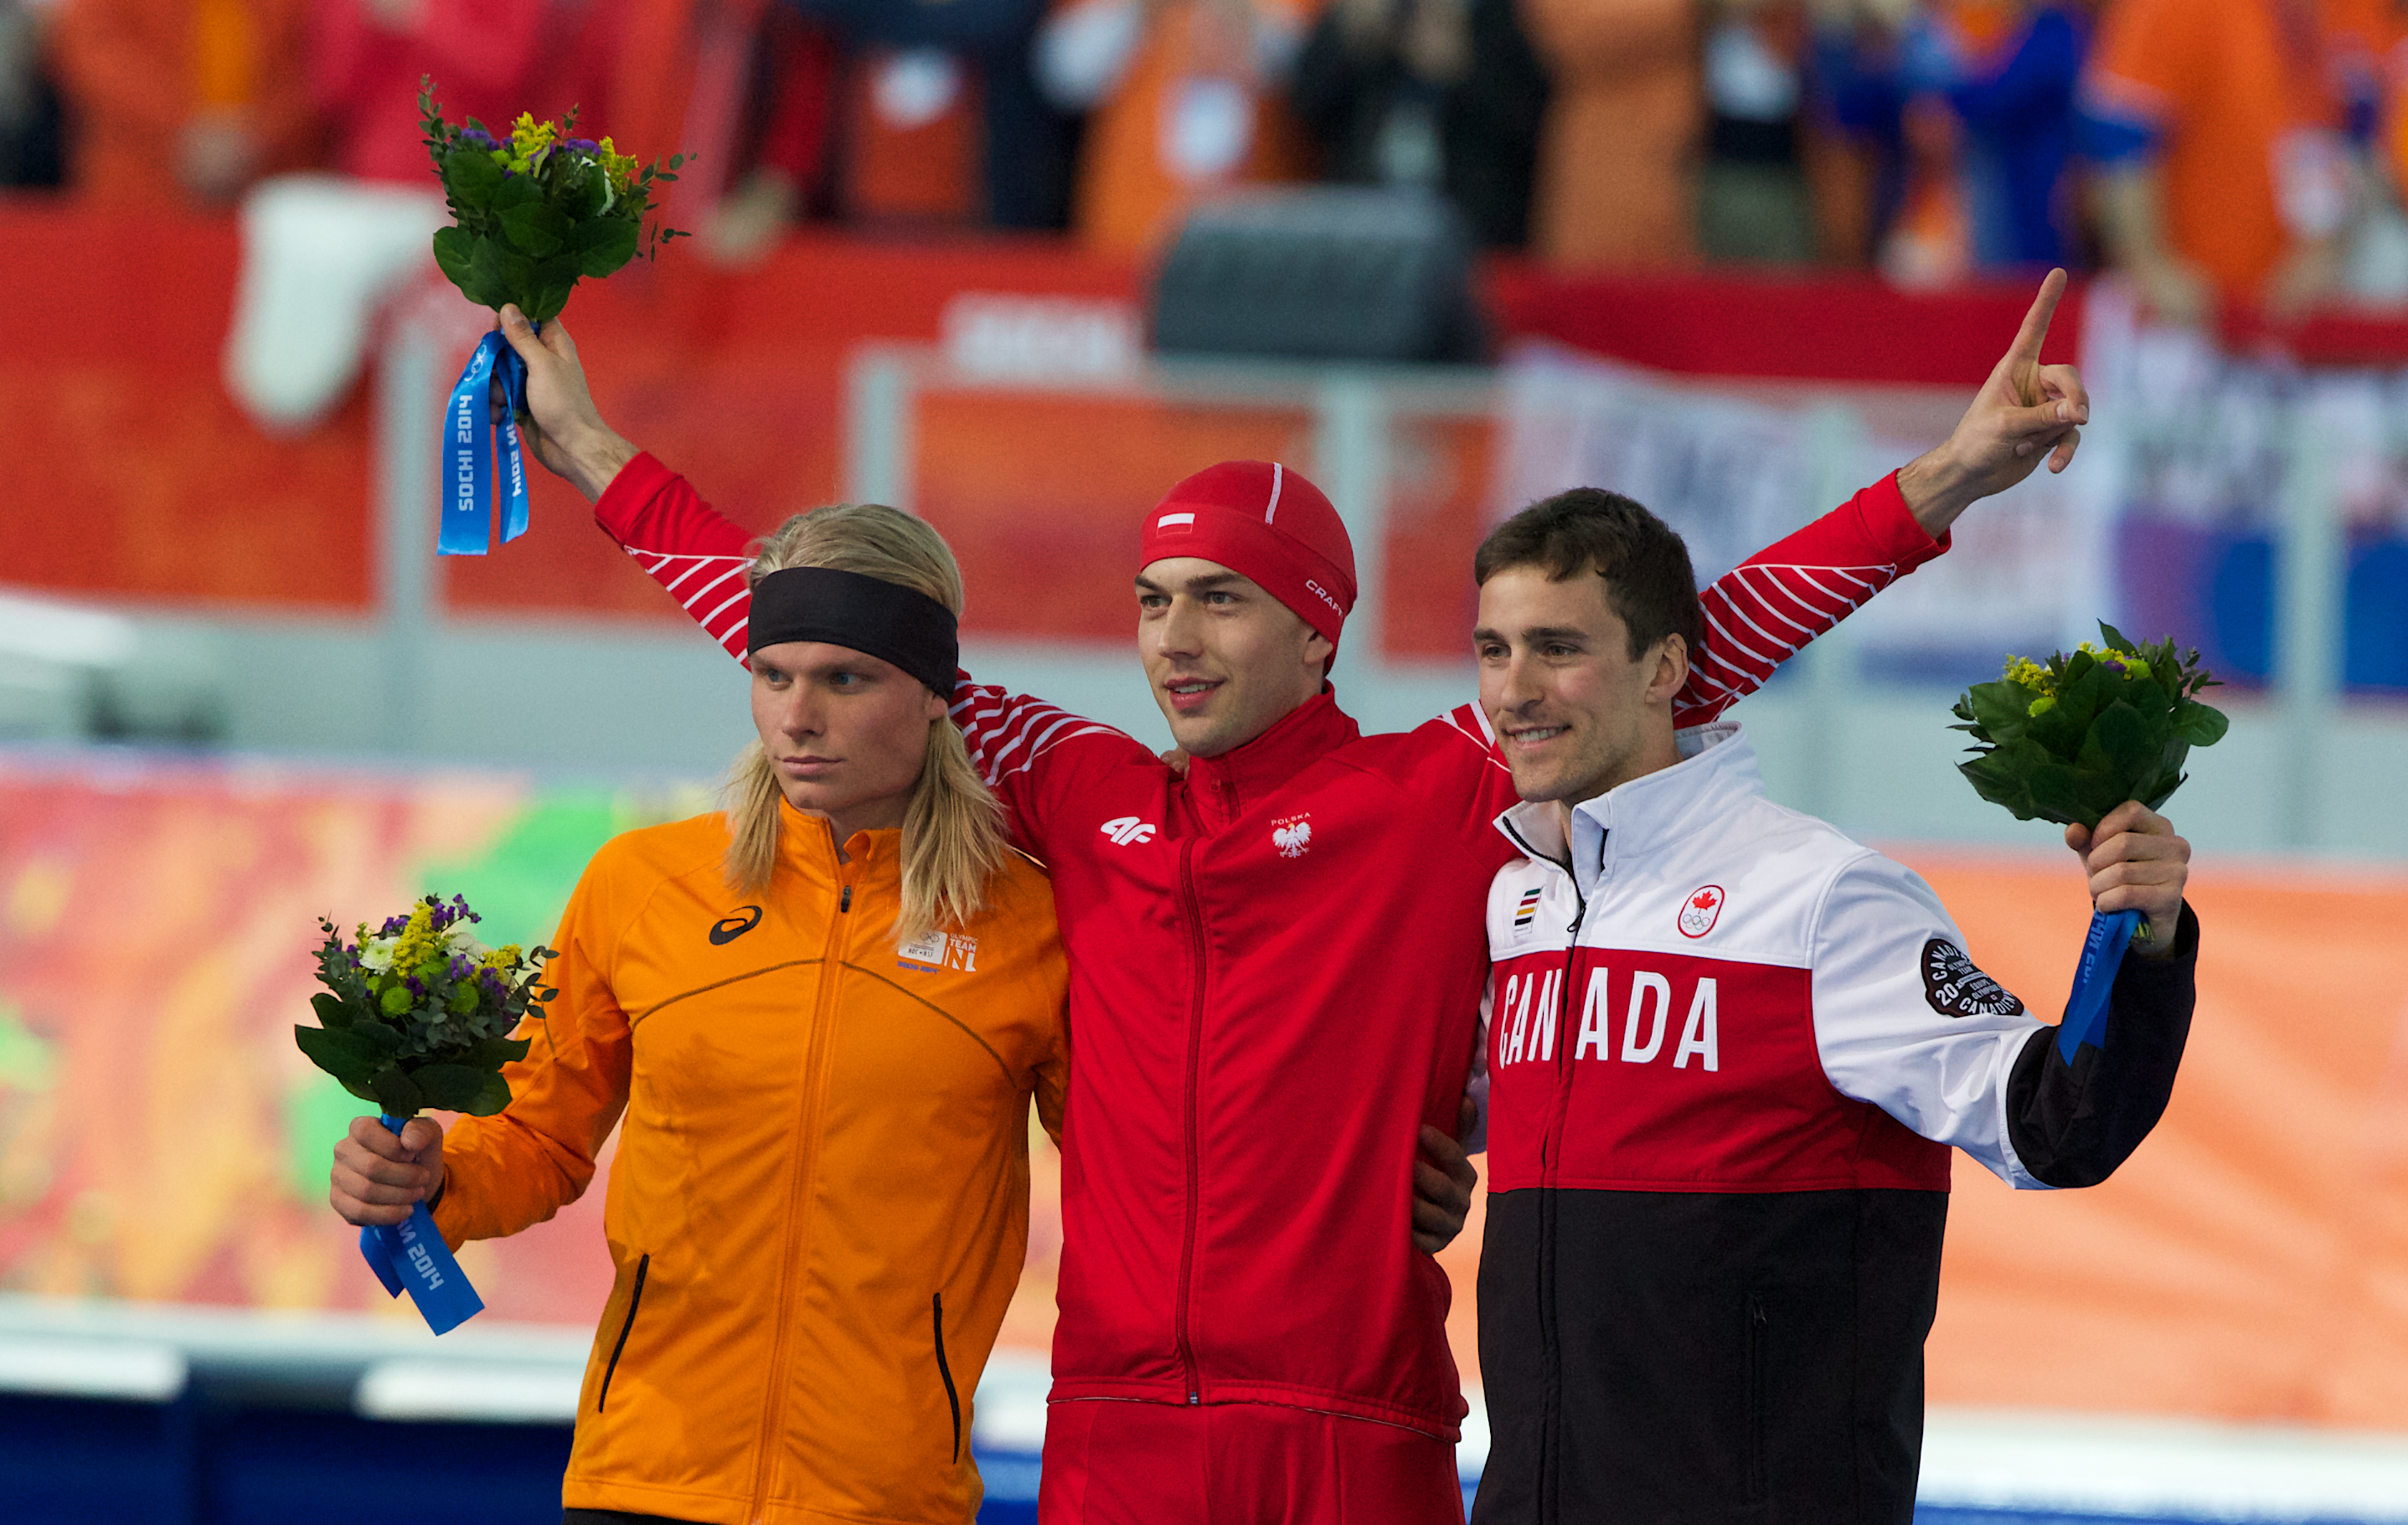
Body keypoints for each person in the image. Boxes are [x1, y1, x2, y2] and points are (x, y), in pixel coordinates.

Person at [487, 267, 2085, 1521]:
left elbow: (1698, 634)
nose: (1174, 638)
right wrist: (596, 456)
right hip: (1112, 1436)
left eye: (1223, 601)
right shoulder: (1083, 789)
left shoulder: (1430, 793)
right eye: (1152, 600)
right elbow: (827, 632)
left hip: (1349, 1438)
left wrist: (1946, 478)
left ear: (1319, 631)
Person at [330, 503, 1071, 1525]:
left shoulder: (1032, 924)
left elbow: (1137, 1189)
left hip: (885, 1496)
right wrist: (433, 1182)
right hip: (644, 1477)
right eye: (772, 676)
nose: (796, 718)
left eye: (843, 680)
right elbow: (540, 1137)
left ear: (936, 694)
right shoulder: (645, 882)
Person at [1463, 494, 2197, 1519]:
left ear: (1666, 670)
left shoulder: (1821, 898)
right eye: (1493, 650)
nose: (1513, 691)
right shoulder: (1521, 899)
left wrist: (2144, 937)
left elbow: (2055, 1125)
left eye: (1556, 649)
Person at [2079, 0, 2359, 323]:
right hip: (2183, 311)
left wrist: (2319, 247)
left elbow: (2318, 129)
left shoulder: (2316, 13)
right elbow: (2122, 139)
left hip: (2275, 308)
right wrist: (2149, 262)